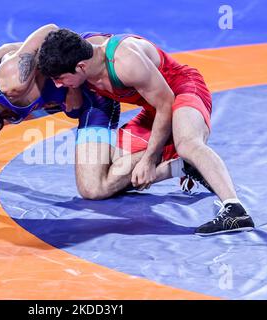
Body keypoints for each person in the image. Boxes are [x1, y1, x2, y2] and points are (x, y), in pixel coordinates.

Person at [0, 25, 205, 224]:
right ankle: (181, 165)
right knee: (94, 188)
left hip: (92, 100)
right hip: (78, 104)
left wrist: (73, 88)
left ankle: (171, 146)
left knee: (97, 182)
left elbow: (51, 32)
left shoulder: (14, 78)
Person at [38, 29, 255, 236]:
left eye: (60, 79)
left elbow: (167, 104)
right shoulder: (78, 51)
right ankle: (182, 166)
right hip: (154, 109)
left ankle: (235, 210)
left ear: (81, 67)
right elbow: (38, 38)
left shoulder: (125, 61)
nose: (58, 85)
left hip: (181, 91)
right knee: (100, 182)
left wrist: (150, 159)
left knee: (187, 143)